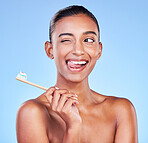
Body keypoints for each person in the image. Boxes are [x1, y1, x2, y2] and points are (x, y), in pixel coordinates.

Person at [16, 5, 138, 143]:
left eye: (88, 40)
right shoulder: (32, 113)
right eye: (66, 40)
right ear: (50, 50)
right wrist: (73, 127)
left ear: (99, 50)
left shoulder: (121, 110)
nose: (78, 51)